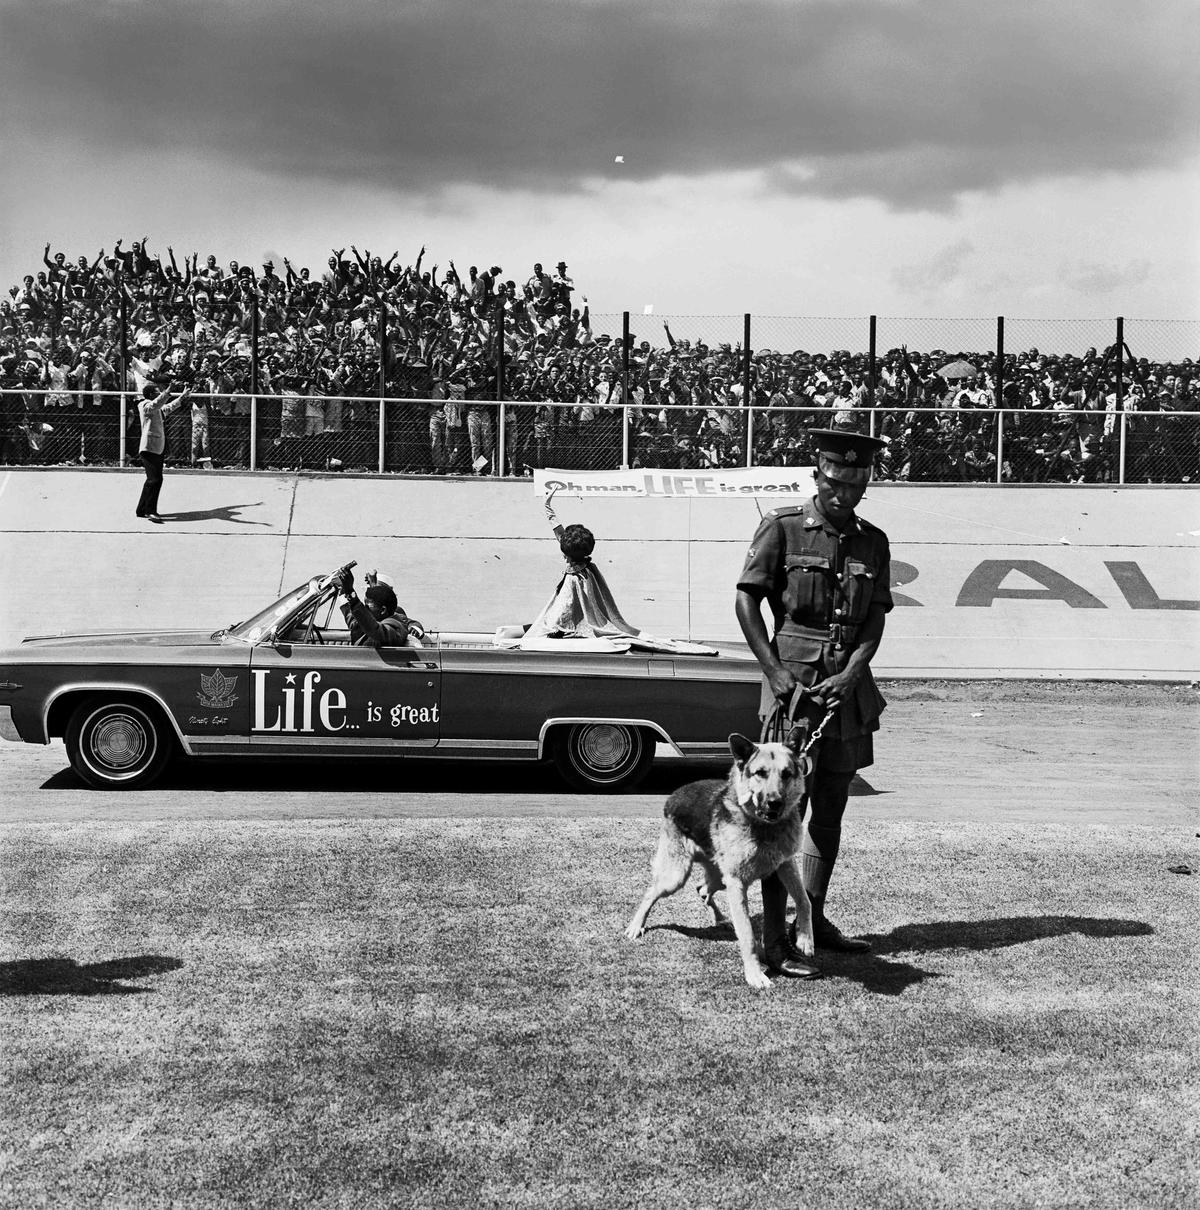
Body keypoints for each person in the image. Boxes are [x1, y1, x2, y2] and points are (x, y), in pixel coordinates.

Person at [735, 428, 892, 974]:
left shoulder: (875, 541)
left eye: (857, 484)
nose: (845, 493)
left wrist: (853, 674)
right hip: (793, 691)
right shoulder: (782, 528)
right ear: (818, 475)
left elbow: (875, 617)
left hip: (845, 694)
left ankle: (814, 921)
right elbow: (746, 600)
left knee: (830, 809)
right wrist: (774, 672)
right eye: (836, 482)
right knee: (781, 814)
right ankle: (774, 941)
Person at [135, 378, 194, 520]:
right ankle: (150, 510)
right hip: (148, 447)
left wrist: (182, 396)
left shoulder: (157, 408)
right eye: (157, 391)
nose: (159, 393)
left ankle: (141, 509)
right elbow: (155, 405)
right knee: (155, 479)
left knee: (153, 479)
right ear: (150, 394)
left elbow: (168, 407)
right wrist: (168, 391)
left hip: (157, 447)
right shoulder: (144, 405)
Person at [329, 566, 410, 648]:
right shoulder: (377, 617)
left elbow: (374, 628)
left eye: (367, 607)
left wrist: (351, 592)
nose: (364, 610)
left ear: (383, 610)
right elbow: (356, 619)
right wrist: (344, 589)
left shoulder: (394, 627)